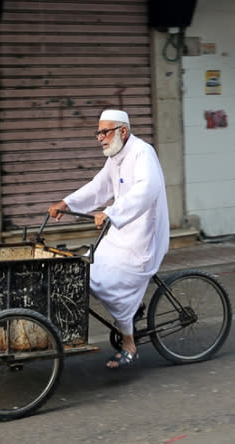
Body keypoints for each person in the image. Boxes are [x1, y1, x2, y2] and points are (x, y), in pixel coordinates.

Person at [48, 109, 170, 368]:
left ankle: (129, 344)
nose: (100, 138)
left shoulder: (142, 152)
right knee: (87, 272)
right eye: (99, 132)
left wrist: (112, 212)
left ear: (122, 132)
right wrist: (67, 203)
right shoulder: (115, 157)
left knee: (110, 284)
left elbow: (147, 189)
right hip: (119, 233)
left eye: (105, 132)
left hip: (143, 237)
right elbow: (98, 187)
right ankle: (132, 311)